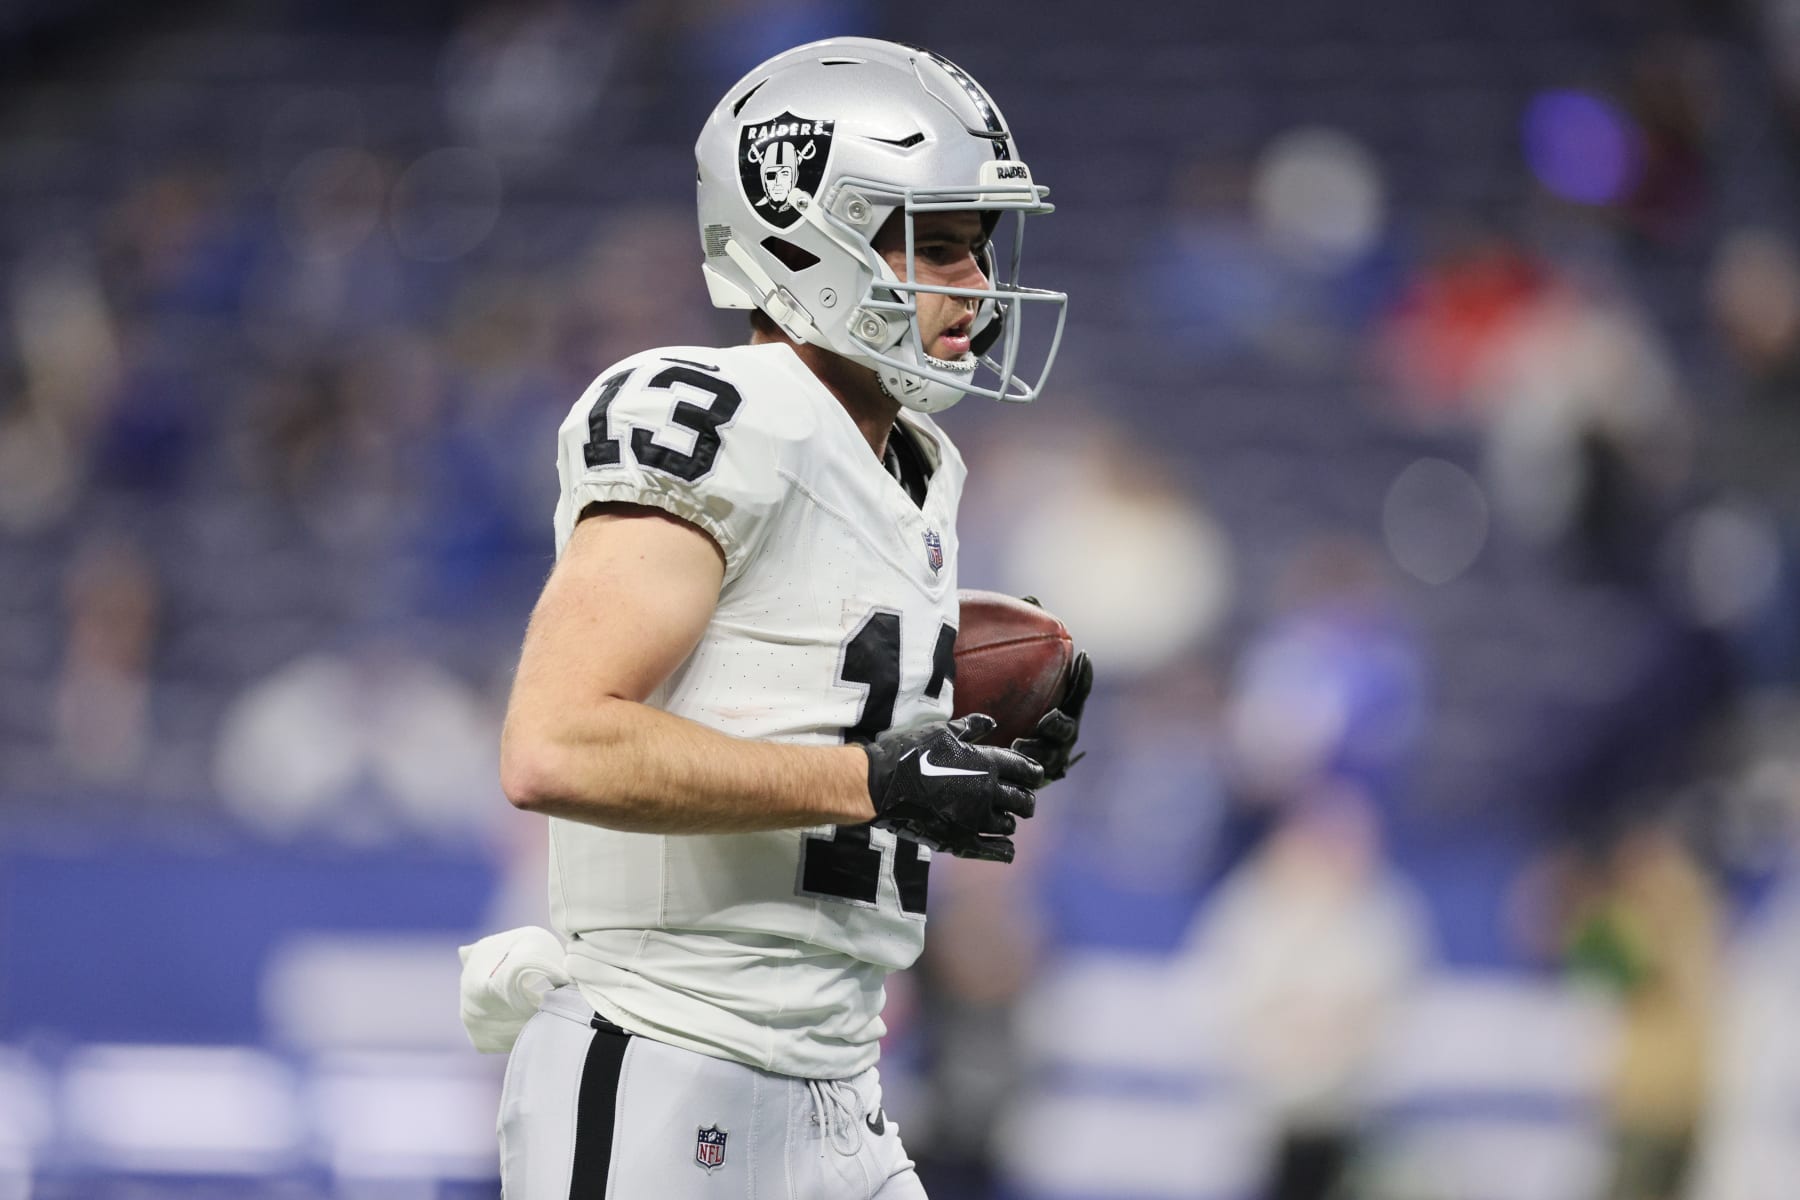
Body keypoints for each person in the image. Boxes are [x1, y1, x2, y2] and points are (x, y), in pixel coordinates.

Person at [466, 37, 1092, 1199]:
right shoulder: (719, 414)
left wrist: (960, 724)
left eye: (979, 249)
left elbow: (796, 697)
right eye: (939, 247)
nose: (977, 287)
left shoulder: (909, 461)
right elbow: (555, 744)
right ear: (808, 233)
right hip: (670, 1068)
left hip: (836, 1084)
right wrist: (875, 781)